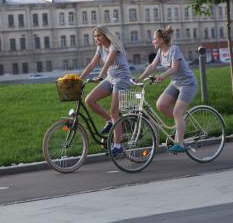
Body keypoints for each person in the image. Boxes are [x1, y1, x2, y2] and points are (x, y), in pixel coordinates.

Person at [136, 26, 197, 153]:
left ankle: (180, 144)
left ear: (161, 40)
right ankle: (181, 124)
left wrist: (162, 76)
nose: (152, 41)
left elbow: (175, 68)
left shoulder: (174, 49)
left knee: (177, 112)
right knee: (161, 105)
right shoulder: (160, 53)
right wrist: (140, 79)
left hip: (188, 84)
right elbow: (152, 66)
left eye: (154, 39)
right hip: (176, 83)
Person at [80, 25, 132, 155]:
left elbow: (108, 61)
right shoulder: (100, 48)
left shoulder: (114, 46)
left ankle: (118, 145)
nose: (96, 38)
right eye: (95, 36)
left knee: (114, 112)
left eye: (99, 35)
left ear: (105, 35)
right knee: (89, 100)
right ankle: (110, 121)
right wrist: (79, 79)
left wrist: (100, 76)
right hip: (111, 78)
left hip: (122, 78)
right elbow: (92, 64)